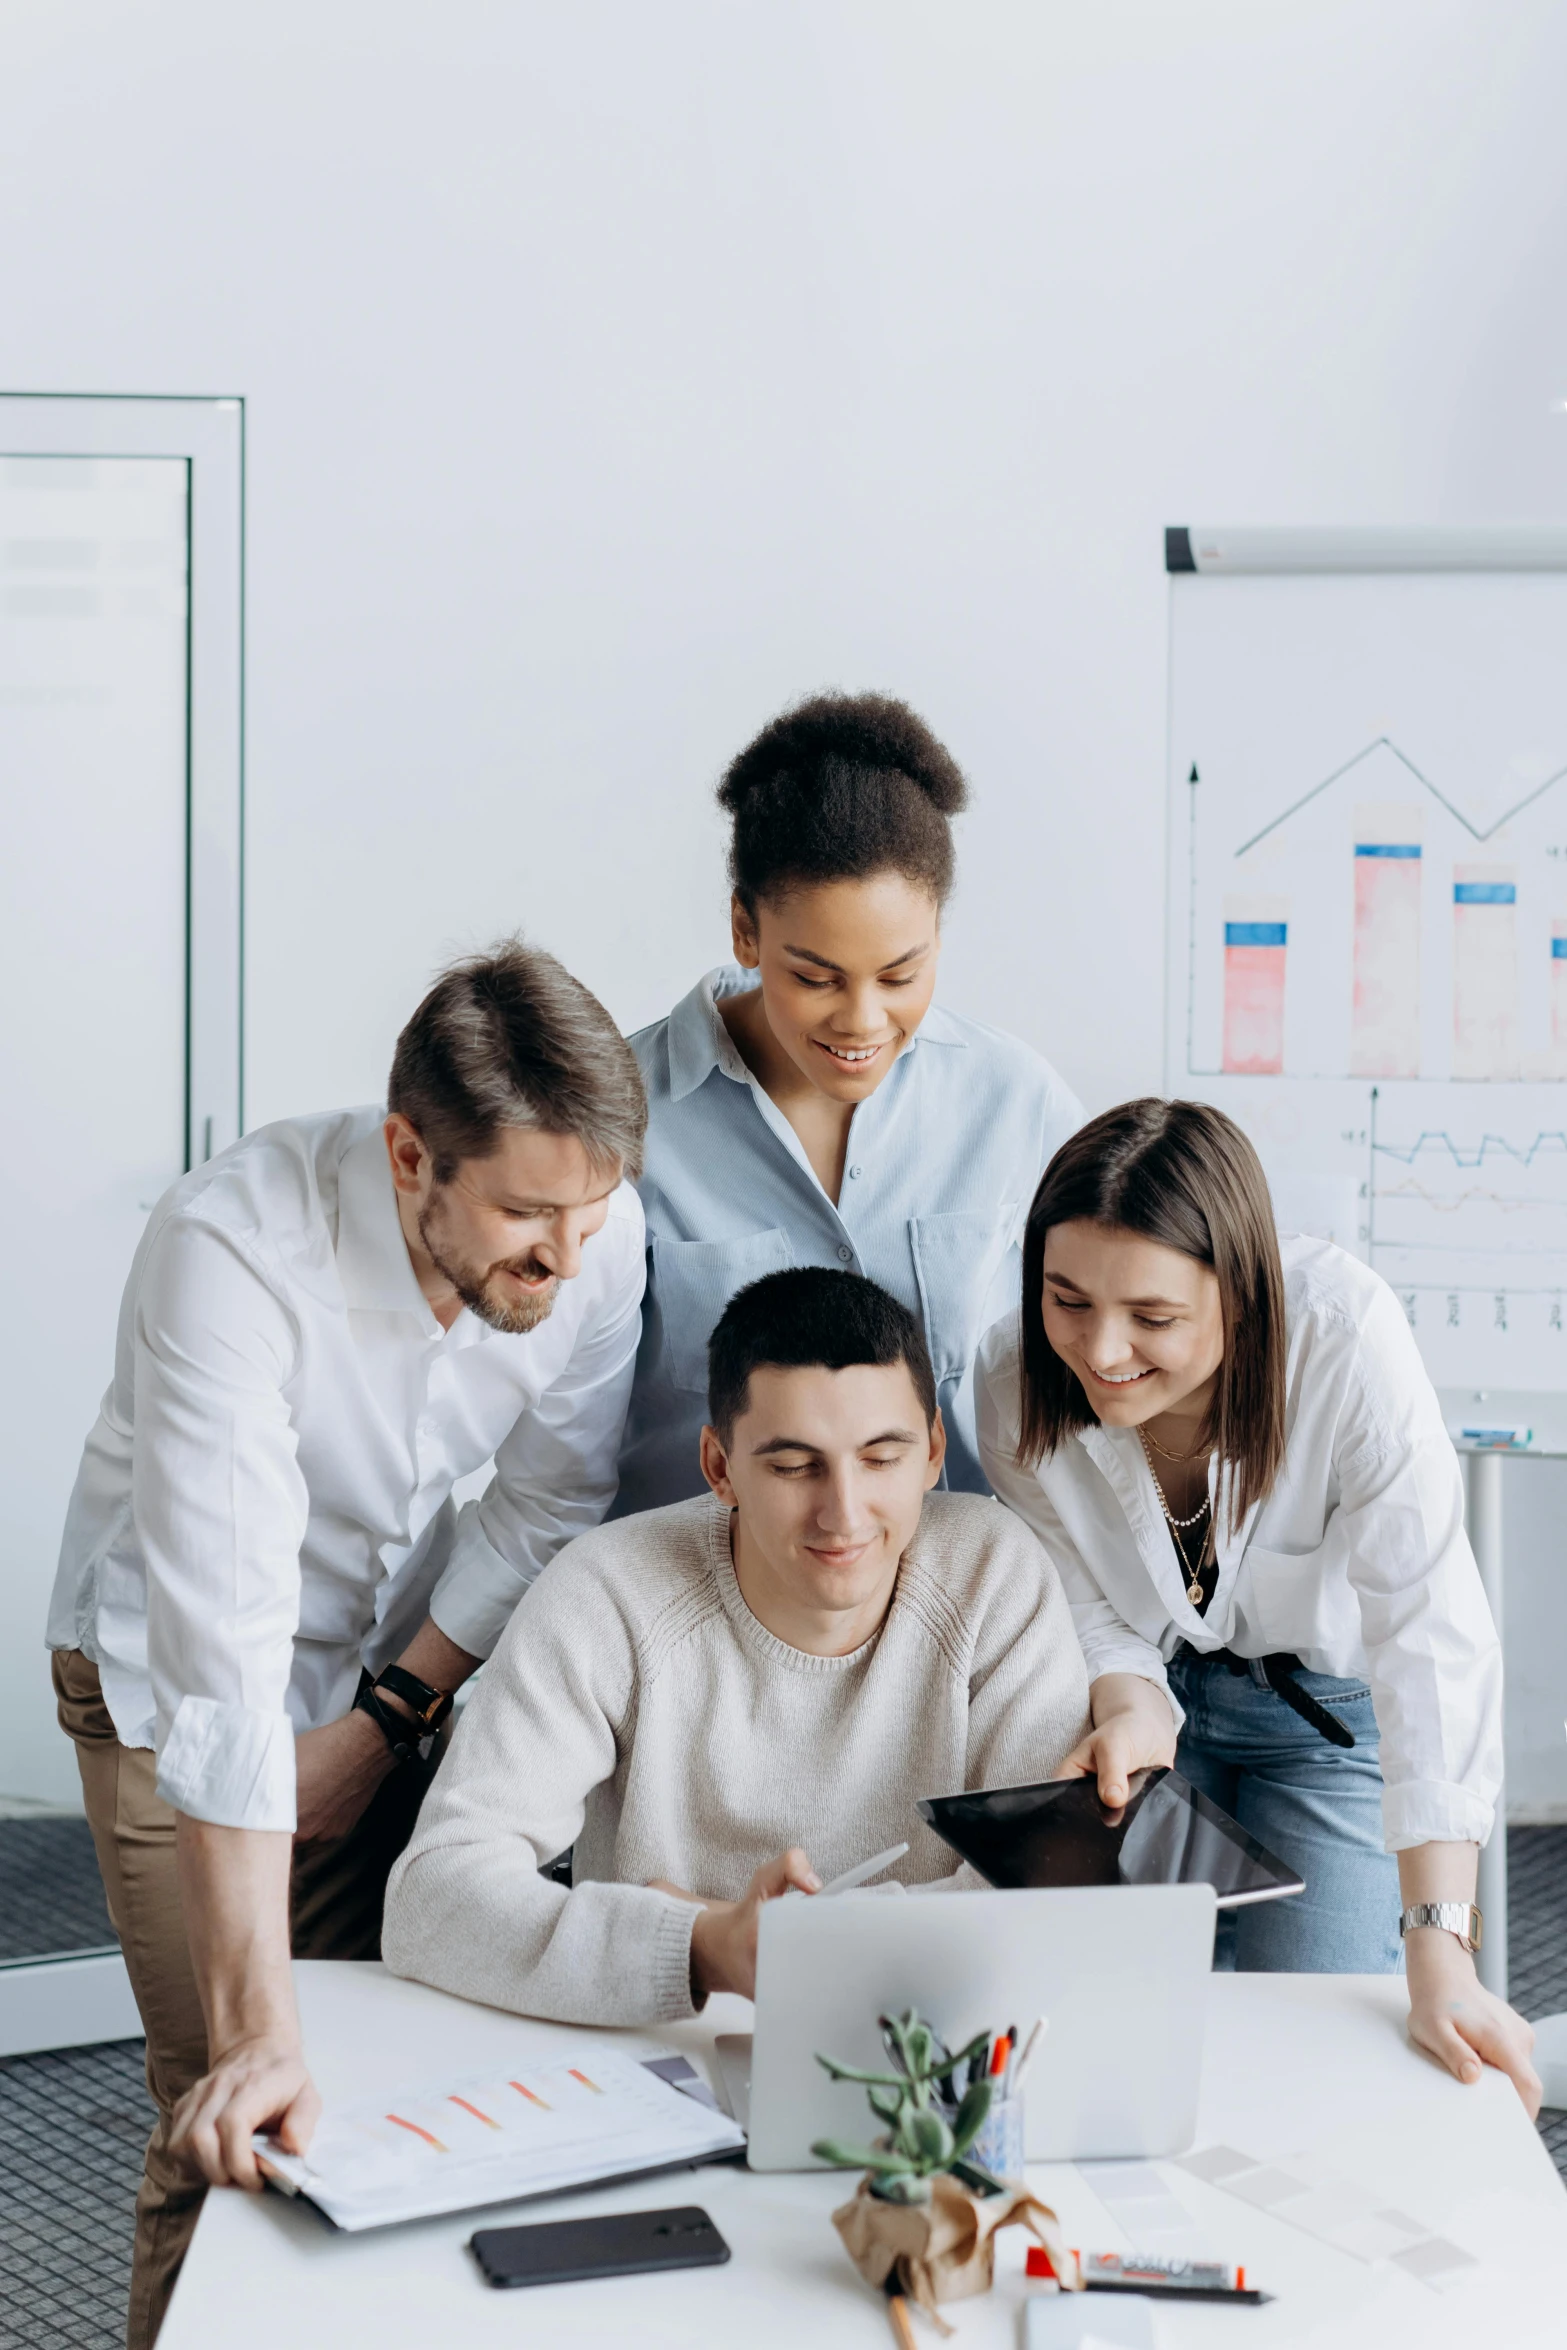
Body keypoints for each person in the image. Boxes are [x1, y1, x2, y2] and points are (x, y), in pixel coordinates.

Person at [48, 940, 648, 2349]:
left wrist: (381, 1721)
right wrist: (260, 2026)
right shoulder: (231, 1253)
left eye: (590, 1209)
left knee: (407, 2081)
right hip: (167, 1687)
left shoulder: (588, 1228)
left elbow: (551, 1494)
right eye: (521, 1213)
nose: (563, 1256)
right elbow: (222, 1665)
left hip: (394, 1658)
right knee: (240, 2111)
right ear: (404, 1153)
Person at [975, 1097, 1541, 2115]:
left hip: (1334, 1719)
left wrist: (1439, 1943)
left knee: (1319, 2044)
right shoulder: (1009, 1374)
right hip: (1158, 1700)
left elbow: (1426, 1631)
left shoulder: (1343, 1338)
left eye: (1152, 1318)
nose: (1100, 1352)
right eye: (1066, 1299)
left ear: (1241, 1295)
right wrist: (1130, 1702)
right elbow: (1072, 1587)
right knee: (1091, 2029)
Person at [383, 1267, 1090, 2021]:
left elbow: (1043, 1900)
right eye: (793, 1467)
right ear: (719, 1468)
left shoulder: (994, 1575)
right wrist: (703, 1944)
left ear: (933, 1452)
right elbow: (432, 1898)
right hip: (657, 2059)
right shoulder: (608, 1591)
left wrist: (770, 1939)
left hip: (925, 2042)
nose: (843, 1515)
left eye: (881, 1459)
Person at [613, 691, 1081, 1515]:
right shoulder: (624, 1114)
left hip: (961, 1595)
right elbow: (554, 1442)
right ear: (744, 931)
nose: (863, 1020)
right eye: (814, 977)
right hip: (683, 1598)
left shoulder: (1014, 1102)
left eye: (901, 975)